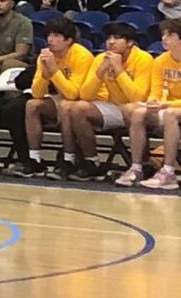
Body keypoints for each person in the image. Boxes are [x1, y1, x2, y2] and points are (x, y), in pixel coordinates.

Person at [5, 16, 94, 178]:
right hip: (59, 98)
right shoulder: (45, 56)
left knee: (66, 106)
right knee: (32, 105)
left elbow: (73, 94)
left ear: (68, 40)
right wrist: (45, 76)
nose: (50, 40)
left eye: (56, 36)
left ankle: (69, 159)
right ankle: (35, 159)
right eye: (48, 35)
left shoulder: (82, 56)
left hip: (83, 101)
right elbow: (37, 93)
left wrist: (54, 71)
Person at [63, 22, 152, 182]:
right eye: (109, 38)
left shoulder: (143, 59)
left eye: (117, 38)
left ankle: (142, 164)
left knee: (132, 109)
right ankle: (92, 162)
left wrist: (118, 70)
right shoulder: (101, 58)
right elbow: (85, 95)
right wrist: (101, 71)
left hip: (139, 108)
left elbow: (137, 97)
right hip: (113, 106)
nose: (111, 42)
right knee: (77, 108)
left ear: (130, 43)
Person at [129, 18, 181, 191]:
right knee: (138, 112)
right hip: (168, 106)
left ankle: (169, 171)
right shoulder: (160, 61)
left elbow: (168, 106)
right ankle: (137, 167)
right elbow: (155, 90)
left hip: (172, 108)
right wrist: (152, 101)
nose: (164, 38)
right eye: (163, 34)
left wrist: (166, 105)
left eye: (170, 34)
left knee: (170, 114)